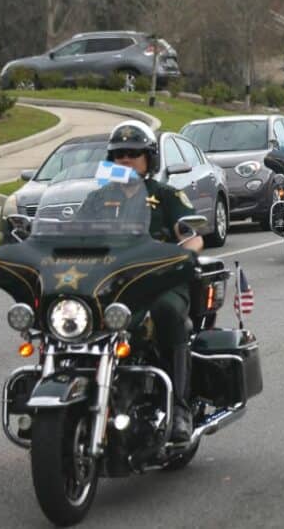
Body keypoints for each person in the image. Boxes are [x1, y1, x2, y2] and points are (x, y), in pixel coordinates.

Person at [92, 120, 203, 442]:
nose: (126, 159)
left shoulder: (166, 195)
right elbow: (78, 235)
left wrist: (185, 254)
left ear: (148, 159)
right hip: (112, 285)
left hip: (161, 281)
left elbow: (191, 236)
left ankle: (180, 409)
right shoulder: (99, 198)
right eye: (119, 154)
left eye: (134, 153)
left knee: (168, 313)